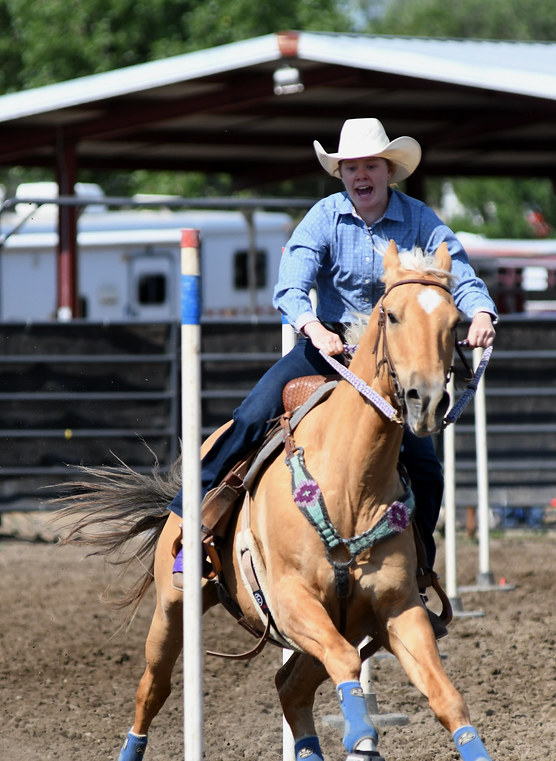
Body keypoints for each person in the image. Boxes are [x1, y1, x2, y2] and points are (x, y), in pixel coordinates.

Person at [169, 118, 496, 611]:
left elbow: (461, 274)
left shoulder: (420, 219)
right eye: (351, 168)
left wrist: (482, 312)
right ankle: (192, 525)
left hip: (389, 363)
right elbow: (290, 285)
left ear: (389, 171)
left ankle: (418, 570)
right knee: (250, 417)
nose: (360, 175)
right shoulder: (324, 217)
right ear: (341, 174)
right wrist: (312, 326)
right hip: (328, 348)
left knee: (427, 470)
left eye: (370, 166)